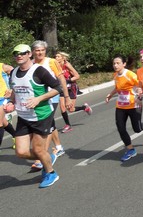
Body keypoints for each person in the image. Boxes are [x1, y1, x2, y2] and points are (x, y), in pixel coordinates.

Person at [6, 44, 67, 188]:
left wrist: (39, 99)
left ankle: (51, 173)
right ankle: (46, 157)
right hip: (23, 116)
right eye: (16, 54)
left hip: (41, 115)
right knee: (21, 152)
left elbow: (57, 88)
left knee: (38, 149)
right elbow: (15, 91)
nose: (18, 56)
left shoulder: (39, 71)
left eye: (22, 53)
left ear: (29, 54)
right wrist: (10, 102)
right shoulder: (13, 73)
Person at [31, 40, 71, 168]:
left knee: (46, 125)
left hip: (52, 97)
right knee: (51, 124)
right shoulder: (31, 64)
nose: (40, 52)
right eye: (37, 50)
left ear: (45, 51)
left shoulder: (51, 62)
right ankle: (58, 147)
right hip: (39, 99)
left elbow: (61, 79)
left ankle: (41, 157)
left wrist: (66, 96)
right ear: (33, 52)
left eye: (42, 50)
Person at [105, 55, 143, 162]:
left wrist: (140, 96)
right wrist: (110, 94)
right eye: (114, 63)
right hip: (121, 106)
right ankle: (130, 149)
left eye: (118, 63)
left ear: (124, 64)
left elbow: (140, 86)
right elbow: (118, 88)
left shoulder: (130, 75)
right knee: (120, 128)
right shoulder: (116, 75)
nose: (115, 65)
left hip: (133, 105)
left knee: (137, 129)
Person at [54, 52, 92, 134]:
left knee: (71, 109)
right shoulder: (55, 66)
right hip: (62, 89)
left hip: (72, 87)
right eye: (55, 56)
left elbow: (77, 76)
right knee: (62, 107)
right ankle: (68, 125)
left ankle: (84, 108)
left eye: (58, 56)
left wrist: (68, 80)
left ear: (63, 58)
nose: (56, 57)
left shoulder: (67, 65)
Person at [0, 62, 17, 148]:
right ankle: (16, 136)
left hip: (2, 98)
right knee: (3, 122)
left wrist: (11, 89)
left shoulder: (2, 67)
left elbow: (15, 72)